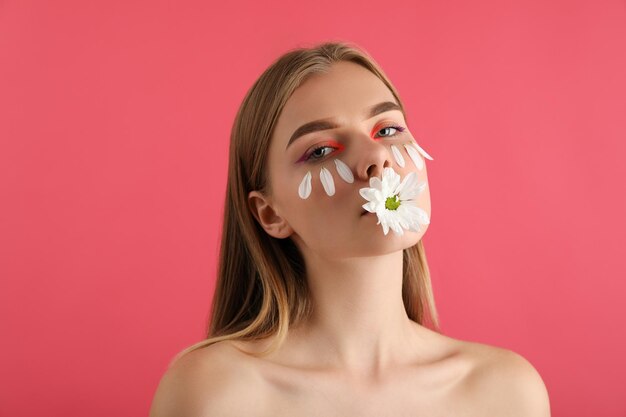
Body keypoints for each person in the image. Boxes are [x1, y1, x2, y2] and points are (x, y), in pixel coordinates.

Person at [149, 41, 551, 416]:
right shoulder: (215, 394)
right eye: (321, 151)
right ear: (270, 214)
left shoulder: (507, 392)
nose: (377, 157)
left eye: (388, 130)